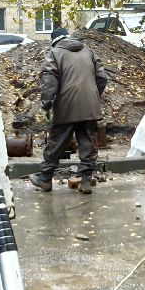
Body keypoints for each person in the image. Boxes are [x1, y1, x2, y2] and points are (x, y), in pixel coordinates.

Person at [29, 27, 108, 193]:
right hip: (90, 106)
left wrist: (47, 104)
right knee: (88, 144)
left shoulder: (54, 53)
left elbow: (49, 80)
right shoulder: (89, 51)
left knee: (56, 143)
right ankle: (85, 182)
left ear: (54, 42)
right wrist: (93, 97)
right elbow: (102, 78)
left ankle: (45, 179)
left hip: (66, 106)